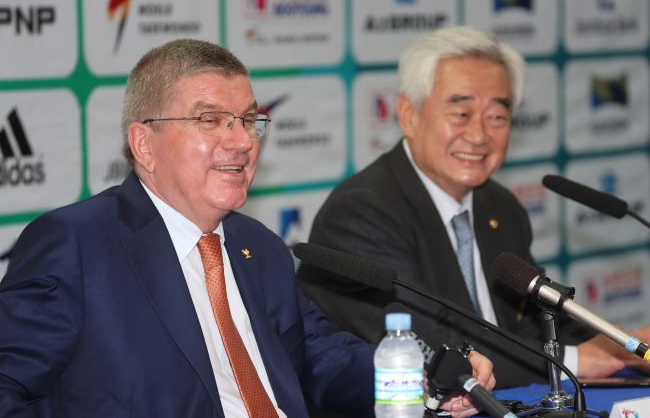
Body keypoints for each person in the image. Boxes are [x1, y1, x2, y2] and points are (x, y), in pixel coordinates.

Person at [0, 38, 495, 417]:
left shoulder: (258, 245)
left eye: (249, 120)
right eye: (211, 120)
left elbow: (322, 358)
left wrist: (423, 376)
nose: (241, 141)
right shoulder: (77, 244)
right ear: (144, 143)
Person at [297, 26, 650, 390]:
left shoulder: (498, 204)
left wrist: (624, 343)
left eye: (497, 116)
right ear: (409, 115)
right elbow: (436, 349)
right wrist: (578, 360)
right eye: (461, 113)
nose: (480, 135)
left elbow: (534, 318)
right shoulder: (360, 212)